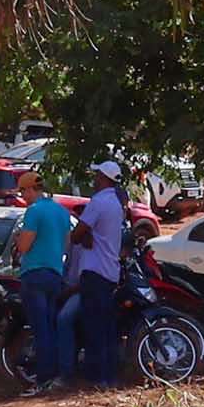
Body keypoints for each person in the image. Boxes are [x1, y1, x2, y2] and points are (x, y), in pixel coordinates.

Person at [72, 159, 135, 387]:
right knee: (107, 326)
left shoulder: (98, 202)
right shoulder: (117, 202)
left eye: (97, 175)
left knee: (94, 325)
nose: (94, 178)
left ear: (103, 178)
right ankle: (108, 374)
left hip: (94, 270)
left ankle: (97, 376)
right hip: (109, 270)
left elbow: (77, 234)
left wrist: (84, 234)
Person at [15, 168, 76, 393]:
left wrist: (18, 241)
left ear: (32, 189)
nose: (22, 196)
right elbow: (67, 243)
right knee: (51, 327)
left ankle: (43, 379)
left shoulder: (34, 211)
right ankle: (58, 375)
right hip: (54, 274)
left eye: (23, 191)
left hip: (34, 273)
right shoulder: (60, 211)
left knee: (40, 329)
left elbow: (24, 246)